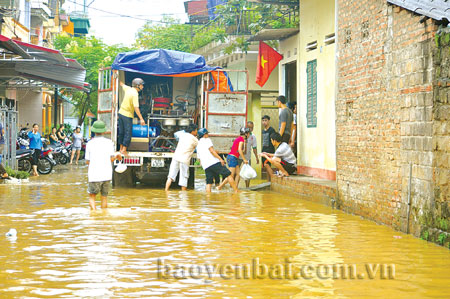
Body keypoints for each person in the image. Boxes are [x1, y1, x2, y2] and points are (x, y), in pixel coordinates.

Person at [85, 120, 122, 210]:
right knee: (104, 197)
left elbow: (87, 161)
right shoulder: (109, 143)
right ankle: (103, 217)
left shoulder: (89, 143)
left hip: (94, 175)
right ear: (104, 131)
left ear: (94, 131)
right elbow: (111, 159)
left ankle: (94, 215)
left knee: (92, 197)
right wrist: (116, 157)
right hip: (106, 175)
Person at [196, 128, 238, 193]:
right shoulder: (207, 140)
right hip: (213, 162)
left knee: (209, 182)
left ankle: (208, 197)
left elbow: (199, 158)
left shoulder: (198, 144)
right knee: (228, 174)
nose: (208, 135)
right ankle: (236, 191)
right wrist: (220, 159)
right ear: (204, 135)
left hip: (206, 165)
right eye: (207, 134)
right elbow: (212, 151)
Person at [165, 124, 198, 191]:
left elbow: (176, 134)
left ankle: (166, 191)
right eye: (196, 130)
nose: (197, 131)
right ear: (193, 131)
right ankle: (183, 195)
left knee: (170, 176)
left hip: (176, 157)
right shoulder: (195, 140)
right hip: (184, 160)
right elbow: (198, 149)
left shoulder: (182, 135)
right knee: (184, 177)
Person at [118, 78, 146, 155]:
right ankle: (124, 150)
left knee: (121, 132)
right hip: (127, 115)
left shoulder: (128, 89)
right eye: (141, 85)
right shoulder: (135, 94)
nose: (142, 87)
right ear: (137, 85)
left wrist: (115, 75)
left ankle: (121, 148)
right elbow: (136, 107)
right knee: (128, 133)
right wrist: (141, 119)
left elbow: (121, 84)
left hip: (120, 113)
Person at [243, 121, 259, 188]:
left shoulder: (253, 137)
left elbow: (254, 148)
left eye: (251, 128)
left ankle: (247, 187)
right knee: (236, 173)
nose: (250, 129)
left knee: (248, 173)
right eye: (249, 127)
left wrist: (256, 157)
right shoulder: (242, 135)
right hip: (239, 157)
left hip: (247, 157)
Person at [261, 115, 276, 181]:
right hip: (264, 149)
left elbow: (274, 140)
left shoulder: (271, 130)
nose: (264, 122)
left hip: (270, 150)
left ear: (268, 121)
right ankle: (268, 180)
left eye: (266, 120)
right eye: (263, 120)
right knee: (266, 166)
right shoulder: (263, 131)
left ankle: (273, 179)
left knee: (267, 164)